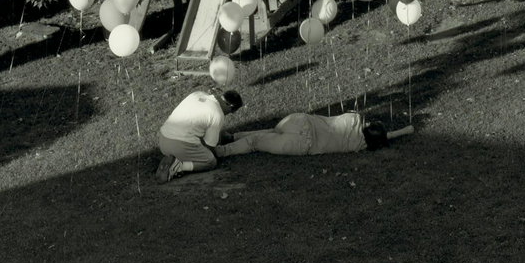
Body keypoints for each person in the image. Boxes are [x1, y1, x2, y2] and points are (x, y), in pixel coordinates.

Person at [215, 109, 390, 158]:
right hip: (301, 144)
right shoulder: (357, 146)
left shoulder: (353, 119)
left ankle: (231, 138)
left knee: (272, 131)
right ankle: (221, 151)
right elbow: (377, 140)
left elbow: (360, 117)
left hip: (300, 121)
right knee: (256, 142)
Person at [155, 88, 243, 183]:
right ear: (230, 106)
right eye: (231, 111)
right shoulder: (218, 114)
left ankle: (174, 158)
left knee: (195, 138)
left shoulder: (197, 94)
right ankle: (179, 166)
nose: (229, 114)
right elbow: (210, 146)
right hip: (179, 145)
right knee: (210, 161)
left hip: (163, 140)